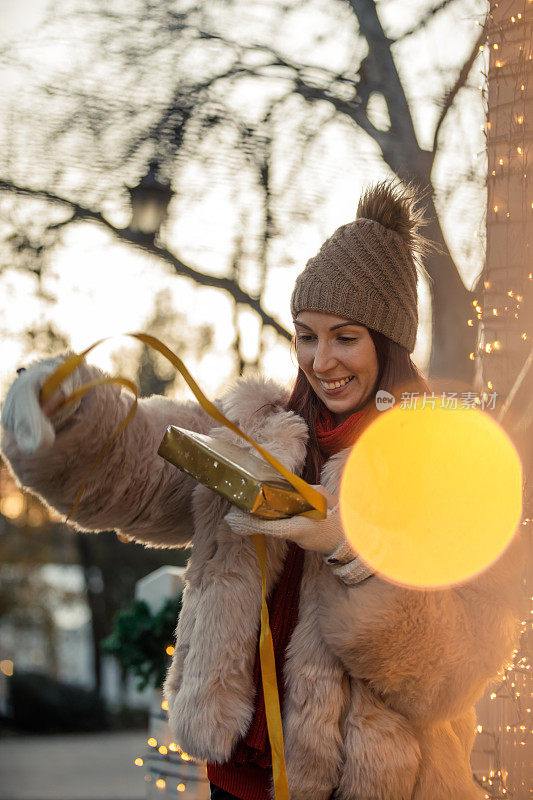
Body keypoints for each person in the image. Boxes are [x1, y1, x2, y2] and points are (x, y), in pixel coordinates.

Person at [1, 180, 524, 800]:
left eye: (344, 337)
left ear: (390, 345)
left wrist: (352, 550)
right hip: (239, 778)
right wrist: (66, 415)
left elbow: (455, 669)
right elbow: (139, 469)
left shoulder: (446, 465)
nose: (320, 360)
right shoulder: (255, 431)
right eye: (306, 334)